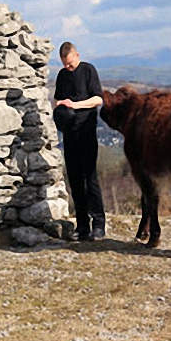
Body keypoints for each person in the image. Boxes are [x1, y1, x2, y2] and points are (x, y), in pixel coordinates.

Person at [53, 42, 106, 241]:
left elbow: (98, 99)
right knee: (75, 180)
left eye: (70, 64)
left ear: (77, 55)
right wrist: (62, 106)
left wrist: (75, 105)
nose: (68, 68)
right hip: (69, 133)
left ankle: (99, 223)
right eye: (64, 65)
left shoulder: (88, 70)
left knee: (90, 178)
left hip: (87, 131)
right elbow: (59, 99)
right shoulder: (62, 75)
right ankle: (82, 225)